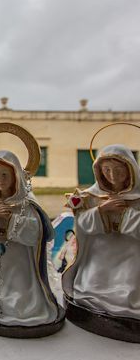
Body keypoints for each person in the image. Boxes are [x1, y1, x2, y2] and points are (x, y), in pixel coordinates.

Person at [0, 150, 61, 333]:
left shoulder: (26, 203)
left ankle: (21, 305)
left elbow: (36, 232)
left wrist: (11, 221)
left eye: (5, 174)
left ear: (15, 175)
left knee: (21, 298)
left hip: (20, 263)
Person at [63, 144, 140, 340]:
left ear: (130, 169)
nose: (112, 175)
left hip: (131, 252)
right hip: (100, 252)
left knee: (131, 282)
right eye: (107, 170)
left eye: (118, 170)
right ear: (99, 171)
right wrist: (101, 211)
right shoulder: (91, 196)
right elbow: (81, 224)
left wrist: (125, 214)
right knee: (91, 279)